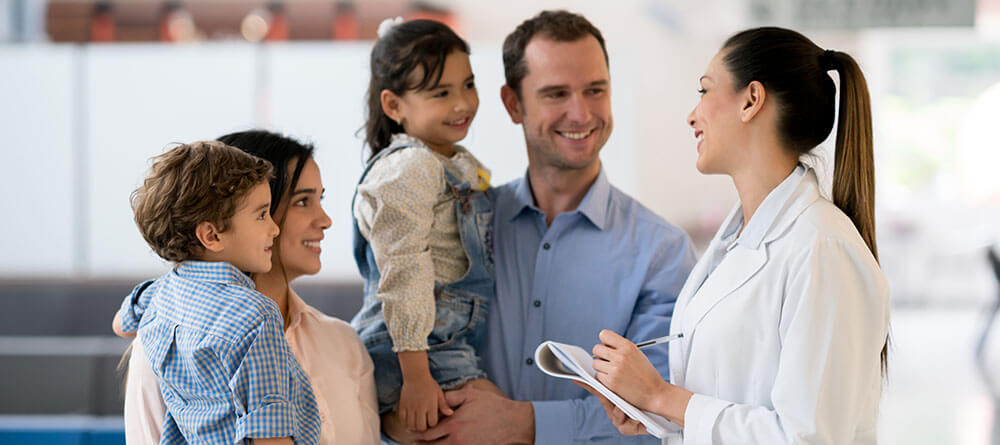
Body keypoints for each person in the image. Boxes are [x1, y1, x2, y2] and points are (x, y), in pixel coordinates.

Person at [395, 10, 697, 444]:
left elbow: (662, 416)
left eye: (596, 90)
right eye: (556, 94)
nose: (581, 113)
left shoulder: (662, 254)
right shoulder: (456, 226)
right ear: (513, 103)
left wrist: (525, 423)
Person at [586, 27, 891, 445]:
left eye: (704, 91)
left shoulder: (822, 248)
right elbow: (731, 396)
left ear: (751, 100)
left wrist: (662, 396)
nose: (691, 115)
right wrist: (658, 415)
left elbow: (807, 437)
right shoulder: (738, 242)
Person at [119, 131, 381, 444]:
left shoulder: (344, 344)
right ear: (214, 229)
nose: (325, 220)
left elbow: (123, 319)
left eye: (320, 200)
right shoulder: (161, 344)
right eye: (301, 202)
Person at [350, 17, 501, 437]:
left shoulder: (453, 162)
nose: (462, 104)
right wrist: (415, 376)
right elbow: (405, 269)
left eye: (468, 85)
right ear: (394, 106)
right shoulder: (411, 167)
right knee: (496, 425)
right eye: (441, 93)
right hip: (414, 349)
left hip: (442, 342)